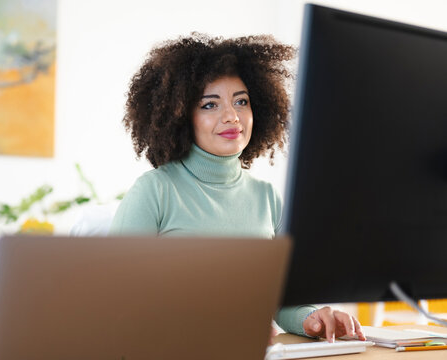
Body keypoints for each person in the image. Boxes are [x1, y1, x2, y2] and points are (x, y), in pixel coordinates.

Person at [109, 33, 366, 342]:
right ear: (179, 115)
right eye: (209, 105)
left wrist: (310, 318)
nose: (231, 116)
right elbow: (116, 303)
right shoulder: (154, 192)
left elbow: (280, 299)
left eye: (241, 101)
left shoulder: (266, 197)